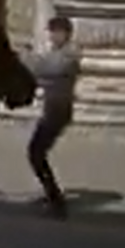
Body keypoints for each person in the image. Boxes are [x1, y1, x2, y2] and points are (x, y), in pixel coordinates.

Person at [26, 15, 79, 219]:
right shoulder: (58, 53)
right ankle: (53, 196)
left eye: (55, 33)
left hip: (59, 111)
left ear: (65, 34)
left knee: (36, 152)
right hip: (53, 110)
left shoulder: (70, 55)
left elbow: (47, 68)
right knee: (36, 153)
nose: (52, 37)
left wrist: (26, 58)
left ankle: (56, 201)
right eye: (51, 33)